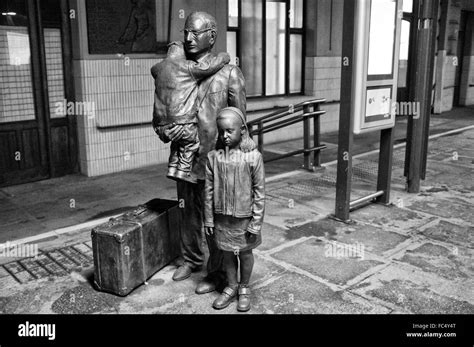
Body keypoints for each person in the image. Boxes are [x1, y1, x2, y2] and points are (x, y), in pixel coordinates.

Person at [153, 12, 246, 294]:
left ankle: (216, 271)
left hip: (216, 160)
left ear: (212, 36)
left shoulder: (229, 73)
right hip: (186, 156)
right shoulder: (177, 68)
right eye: (186, 33)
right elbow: (165, 106)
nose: (189, 38)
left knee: (216, 219)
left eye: (196, 33)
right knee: (188, 213)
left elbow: (241, 122)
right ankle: (191, 259)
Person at [203, 107, 265, 311]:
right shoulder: (214, 157)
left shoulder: (253, 157)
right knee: (227, 253)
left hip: (245, 220)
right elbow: (208, 192)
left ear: (243, 130)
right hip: (222, 219)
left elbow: (259, 193)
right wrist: (209, 219)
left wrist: (256, 223)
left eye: (230, 130)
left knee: (245, 254)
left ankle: (244, 288)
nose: (225, 135)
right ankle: (231, 286)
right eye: (221, 131)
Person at [151, 41, 230, 183]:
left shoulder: (157, 69)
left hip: (161, 124)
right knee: (190, 144)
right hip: (183, 121)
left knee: (177, 143)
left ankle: (172, 167)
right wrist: (223, 57)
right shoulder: (186, 67)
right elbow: (208, 68)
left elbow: (155, 70)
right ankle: (182, 171)